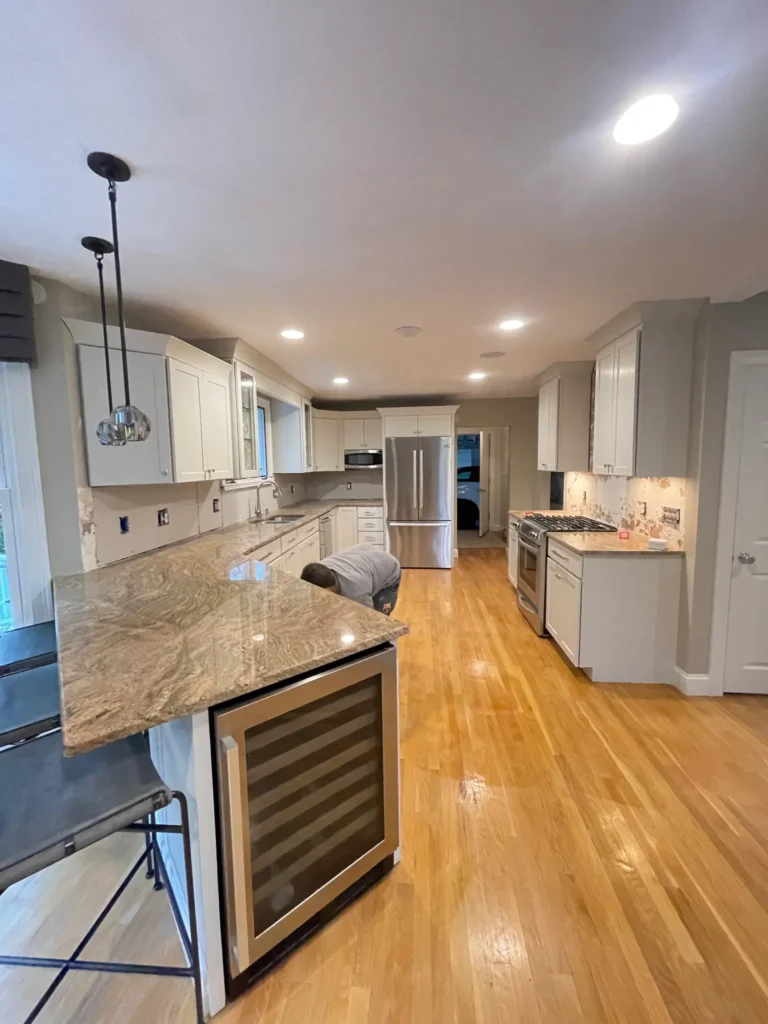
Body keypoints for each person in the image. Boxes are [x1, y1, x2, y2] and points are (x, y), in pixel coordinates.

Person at [300, 544, 401, 615]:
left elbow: (368, 619)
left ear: (328, 589)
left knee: (379, 621)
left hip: (388, 570)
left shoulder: (356, 593)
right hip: (362, 557)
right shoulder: (317, 572)